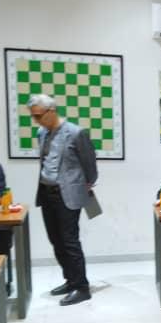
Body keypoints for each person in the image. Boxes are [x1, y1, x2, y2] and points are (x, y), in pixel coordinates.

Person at [31, 93, 98, 306]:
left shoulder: (76, 133)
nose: (36, 120)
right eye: (33, 116)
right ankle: (70, 280)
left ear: (51, 111)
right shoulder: (41, 133)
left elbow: (90, 163)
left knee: (69, 241)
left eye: (38, 115)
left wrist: (87, 183)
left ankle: (82, 287)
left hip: (68, 194)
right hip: (46, 192)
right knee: (55, 240)